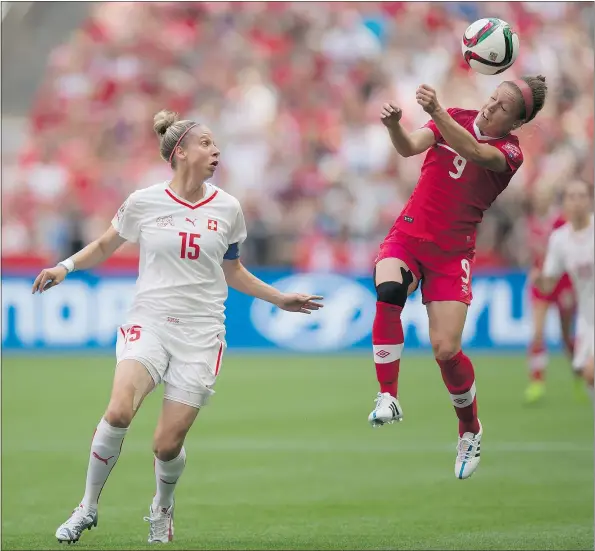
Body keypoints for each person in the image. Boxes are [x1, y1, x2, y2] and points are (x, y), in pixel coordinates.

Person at [32, 110, 324, 544]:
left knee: (166, 445)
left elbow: (234, 270)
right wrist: (65, 266)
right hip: (148, 321)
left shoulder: (228, 208)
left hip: (202, 333)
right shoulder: (144, 201)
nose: (216, 150)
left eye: (216, 144)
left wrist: (279, 297)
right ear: (180, 152)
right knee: (118, 411)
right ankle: (87, 507)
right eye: (207, 143)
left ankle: (162, 507)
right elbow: (105, 244)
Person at [368, 76, 547, 480]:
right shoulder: (456, 116)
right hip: (409, 236)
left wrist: (435, 110)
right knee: (390, 289)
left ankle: (469, 428)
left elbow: (473, 150)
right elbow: (409, 147)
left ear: (516, 122)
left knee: (446, 350)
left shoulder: (510, 152)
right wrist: (395, 124)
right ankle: (388, 396)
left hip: (452, 255)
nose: (490, 107)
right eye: (492, 98)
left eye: (503, 107)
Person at [533, 180, 594, 396]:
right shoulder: (560, 239)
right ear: (564, 203)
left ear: (590, 200)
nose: (576, 202)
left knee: (590, 372)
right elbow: (549, 283)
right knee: (589, 379)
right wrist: (539, 280)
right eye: (571, 197)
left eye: (581, 196)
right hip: (587, 319)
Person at [525, 186, 577, 403]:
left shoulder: (561, 222)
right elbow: (535, 254)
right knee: (537, 333)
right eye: (538, 196)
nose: (540, 200)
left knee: (565, 335)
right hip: (540, 282)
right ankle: (537, 382)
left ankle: (579, 369)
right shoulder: (532, 223)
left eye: (544, 196)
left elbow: (571, 253)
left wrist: (571, 285)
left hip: (561, 282)